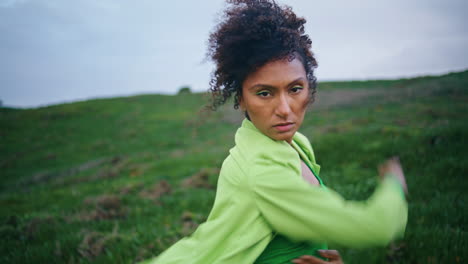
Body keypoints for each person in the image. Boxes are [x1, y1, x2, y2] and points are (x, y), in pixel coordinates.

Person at [141, 0, 408, 263]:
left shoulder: (297, 144)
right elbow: (377, 227)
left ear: (309, 87)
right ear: (241, 99)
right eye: (264, 93)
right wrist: (394, 185)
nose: (284, 109)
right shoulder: (262, 169)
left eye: (294, 89)